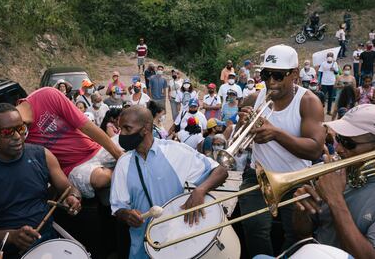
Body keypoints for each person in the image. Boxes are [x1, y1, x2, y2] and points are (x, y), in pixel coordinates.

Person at [0, 103, 82, 258]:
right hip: (7, 250)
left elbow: (69, 189)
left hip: (49, 242)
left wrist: (74, 198)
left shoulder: (42, 155)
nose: (18, 136)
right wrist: (10, 236)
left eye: (21, 128)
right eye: (8, 132)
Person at [238, 44, 325, 257]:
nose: (270, 82)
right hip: (257, 175)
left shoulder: (308, 102)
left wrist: (276, 134)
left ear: (294, 74)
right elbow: (242, 139)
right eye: (266, 75)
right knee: (254, 227)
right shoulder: (255, 98)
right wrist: (243, 125)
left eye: (278, 75)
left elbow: (314, 150)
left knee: (297, 235)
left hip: (295, 178)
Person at [110, 106, 228, 258]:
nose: (122, 134)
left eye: (127, 128)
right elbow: (118, 208)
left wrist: (200, 190)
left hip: (176, 245)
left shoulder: (175, 151)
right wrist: (126, 215)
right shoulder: (123, 163)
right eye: (121, 129)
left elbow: (220, 172)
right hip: (140, 250)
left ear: (146, 128)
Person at [292, 104, 375, 259]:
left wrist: (336, 200)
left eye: (349, 143)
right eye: (339, 139)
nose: (338, 149)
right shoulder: (339, 174)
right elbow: (303, 234)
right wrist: (301, 211)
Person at [16, 87, 123, 199]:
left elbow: (86, 126)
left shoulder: (47, 96)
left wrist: (119, 155)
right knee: (101, 178)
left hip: (95, 149)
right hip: (74, 168)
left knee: (131, 145)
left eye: (20, 130)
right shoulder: (14, 137)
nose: (17, 137)